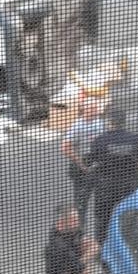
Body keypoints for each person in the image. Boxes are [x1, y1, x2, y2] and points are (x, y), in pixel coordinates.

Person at [87, 108, 138, 246]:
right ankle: (131, 245)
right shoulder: (135, 139)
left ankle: (102, 248)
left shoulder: (100, 140)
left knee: (103, 218)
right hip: (130, 183)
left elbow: (91, 161)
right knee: (130, 215)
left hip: (106, 185)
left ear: (110, 122)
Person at [61, 98, 106, 229]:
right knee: (81, 201)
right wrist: (81, 164)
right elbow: (65, 147)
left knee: (101, 197)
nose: (96, 110)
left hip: (97, 164)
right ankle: (80, 230)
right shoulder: (77, 126)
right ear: (84, 110)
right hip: (82, 166)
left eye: (96, 107)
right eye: (92, 108)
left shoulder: (100, 122)